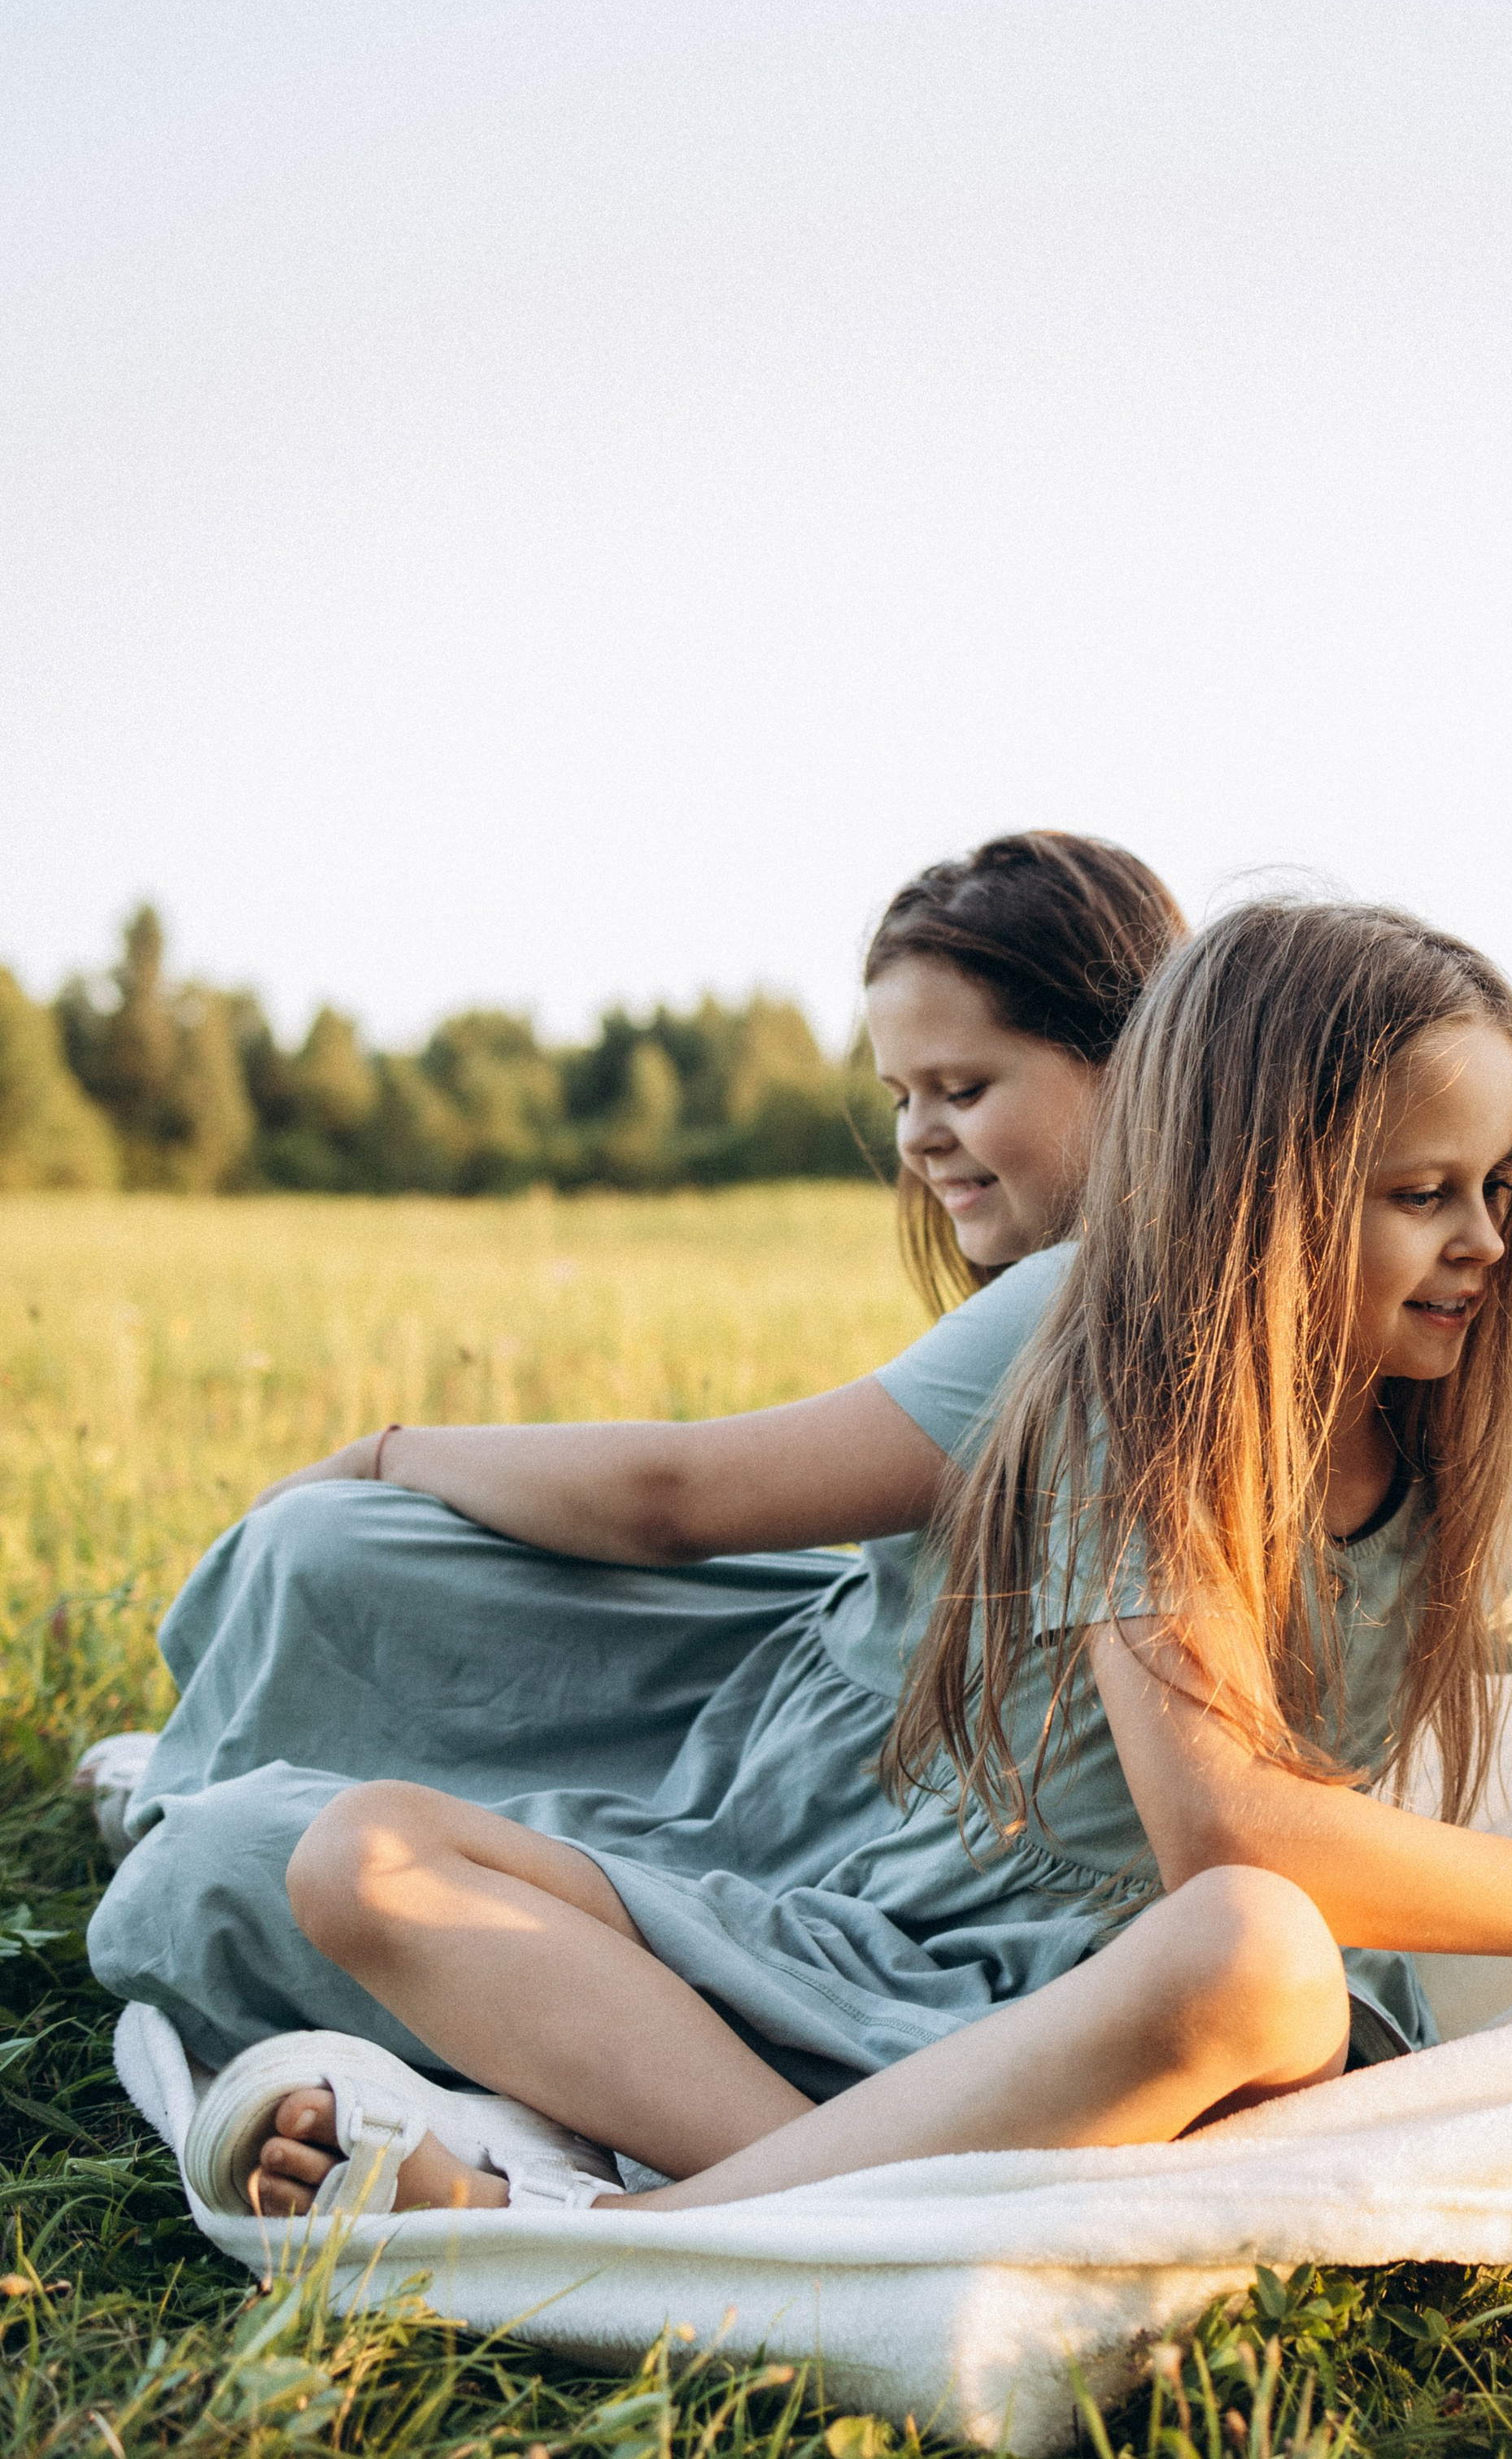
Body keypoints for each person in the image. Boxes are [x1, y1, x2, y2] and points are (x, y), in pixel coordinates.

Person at [186, 899, 1512, 2226]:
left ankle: (639, 2229)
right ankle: (765, 2209)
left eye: (1499, 1189)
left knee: (1258, 1960)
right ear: (1260, 1187)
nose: (1482, 1246)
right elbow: (1232, 1819)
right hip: (885, 1952)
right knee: (366, 1852)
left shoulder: (1449, 1483)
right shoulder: (1146, 1407)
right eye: (1422, 1193)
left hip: (1119, 2017)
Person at [86, 831, 1185, 2073]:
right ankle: (219, 1775)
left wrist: (389, 1449)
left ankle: (244, 1807)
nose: (920, 1138)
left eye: (965, 1089)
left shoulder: (1085, 1295)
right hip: (829, 1683)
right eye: (900, 1098)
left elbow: (676, 1497)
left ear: (1132, 1065)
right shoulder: (1084, 1281)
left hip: (891, 1816)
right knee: (329, 1553)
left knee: (253, 1817)